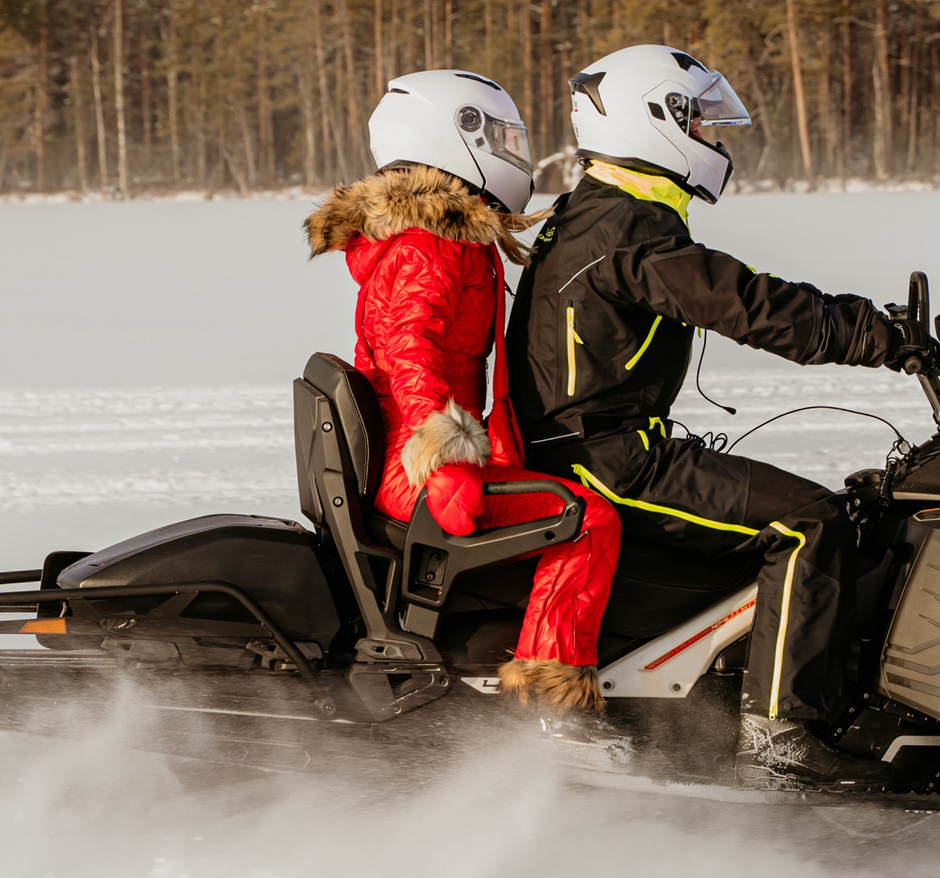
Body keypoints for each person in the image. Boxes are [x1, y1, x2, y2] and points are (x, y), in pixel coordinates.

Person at [501, 44, 900, 785]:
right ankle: (779, 738)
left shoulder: (597, 211)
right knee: (812, 520)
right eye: (697, 119)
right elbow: (742, 301)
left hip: (596, 444)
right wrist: (872, 333)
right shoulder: (627, 229)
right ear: (654, 121)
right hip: (611, 459)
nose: (711, 140)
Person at [304, 70, 623, 724]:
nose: (513, 152)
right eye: (501, 137)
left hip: (420, 454)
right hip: (417, 467)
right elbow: (408, 350)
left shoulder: (447, 236)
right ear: (454, 138)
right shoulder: (432, 243)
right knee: (588, 517)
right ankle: (552, 708)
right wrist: (443, 456)